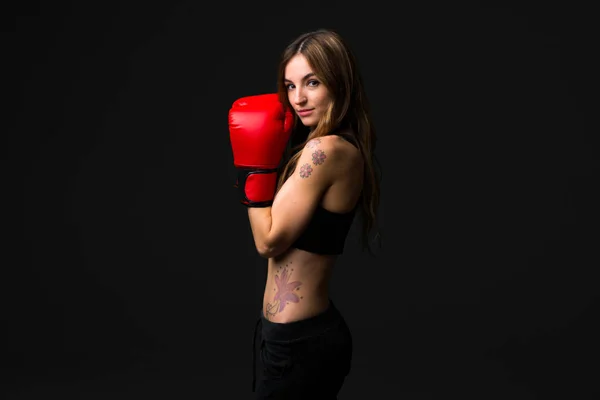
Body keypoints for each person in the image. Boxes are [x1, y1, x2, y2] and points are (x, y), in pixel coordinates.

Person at [228, 28, 381, 399]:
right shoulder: (329, 147)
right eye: (290, 85)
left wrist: (253, 169)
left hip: (300, 346)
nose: (298, 98)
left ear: (338, 81)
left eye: (312, 82)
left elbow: (268, 241)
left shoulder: (325, 151)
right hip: (290, 340)